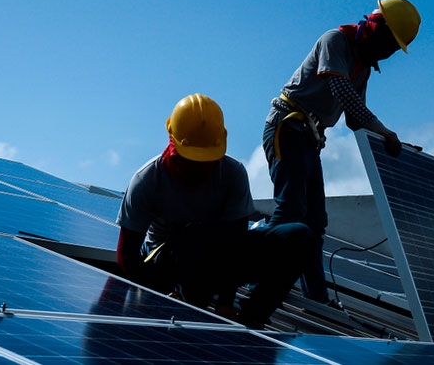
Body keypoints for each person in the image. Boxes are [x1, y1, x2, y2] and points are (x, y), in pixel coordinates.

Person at [262, 0, 422, 303]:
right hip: (287, 127)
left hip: (310, 138)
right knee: (290, 211)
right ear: (377, 30)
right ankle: (259, 280)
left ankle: (316, 299)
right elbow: (342, 92)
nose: (387, 55)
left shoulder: (362, 66)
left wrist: (391, 142)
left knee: (315, 223)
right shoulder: (335, 40)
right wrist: (384, 130)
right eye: (389, 45)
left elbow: (354, 117)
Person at [116, 93, 315, 328]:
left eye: (206, 161)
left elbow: (236, 244)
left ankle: (252, 319)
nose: (198, 169)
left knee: (298, 236)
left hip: (218, 262)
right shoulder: (147, 180)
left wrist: (225, 303)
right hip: (171, 267)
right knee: (195, 237)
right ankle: (188, 302)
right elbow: (126, 256)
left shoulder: (233, 173)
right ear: (174, 143)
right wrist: (153, 297)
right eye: (191, 160)